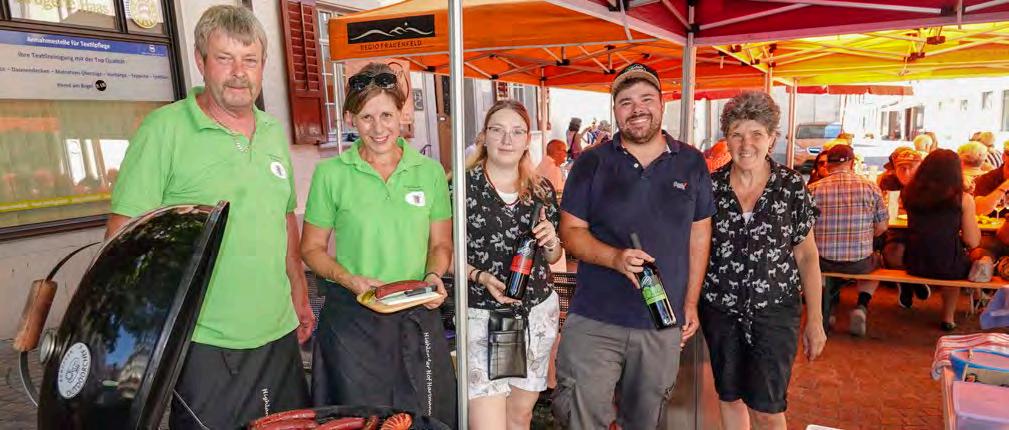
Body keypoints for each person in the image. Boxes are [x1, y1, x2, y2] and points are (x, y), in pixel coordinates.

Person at [107, 6, 312, 428]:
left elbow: (283, 218)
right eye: (224, 58)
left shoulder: (272, 132)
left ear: (263, 65)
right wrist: (140, 335)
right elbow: (122, 238)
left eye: (250, 60)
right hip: (202, 338)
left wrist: (299, 290)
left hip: (277, 331)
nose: (239, 73)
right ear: (201, 61)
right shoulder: (163, 131)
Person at [553, 63, 714, 429]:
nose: (637, 108)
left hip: (660, 320)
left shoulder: (691, 162)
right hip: (594, 318)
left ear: (662, 103)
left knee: (645, 421)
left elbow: (699, 234)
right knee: (582, 417)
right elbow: (571, 231)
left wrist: (691, 302)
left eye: (646, 98)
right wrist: (615, 258)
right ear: (615, 110)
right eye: (625, 101)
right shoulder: (592, 162)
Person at [300, 63, 457, 426]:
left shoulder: (430, 172)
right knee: (360, 422)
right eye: (366, 117)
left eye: (386, 115)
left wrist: (434, 275)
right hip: (353, 321)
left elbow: (441, 244)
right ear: (351, 119)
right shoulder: (331, 174)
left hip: (416, 314)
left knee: (423, 420)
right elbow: (311, 249)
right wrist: (349, 278)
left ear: (402, 114)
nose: (378, 127)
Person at [702, 91, 826, 430]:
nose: (746, 144)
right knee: (729, 398)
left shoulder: (790, 187)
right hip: (720, 310)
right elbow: (697, 250)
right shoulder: (710, 188)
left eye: (756, 134)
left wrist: (815, 320)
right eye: (737, 134)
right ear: (726, 139)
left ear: (771, 138)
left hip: (774, 312)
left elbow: (807, 256)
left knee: (767, 408)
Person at [460, 99, 563, 430]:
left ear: (527, 140)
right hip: (482, 315)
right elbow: (440, 253)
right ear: (484, 136)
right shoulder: (460, 187)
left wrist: (551, 240)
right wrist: (478, 275)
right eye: (498, 130)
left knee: (519, 417)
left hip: (534, 314)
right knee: (487, 424)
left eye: (517, 132)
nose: (507, 139)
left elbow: (553, 257)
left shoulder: (541, 190)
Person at [808, 144, 888, 336]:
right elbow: (882, 227)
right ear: (852, 163)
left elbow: (803, 228)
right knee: (879, 260)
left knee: (826, 265)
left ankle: (830, 309)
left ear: (828, 164)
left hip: (822, 261)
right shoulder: (871, 187)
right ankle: (861, 305)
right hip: (859, 263)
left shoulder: (812, 189)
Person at [902, 149, 983, 331]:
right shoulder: (963, 199)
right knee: (967, 254)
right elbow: (972, 240)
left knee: (949, 252)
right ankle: (948, 317)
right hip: (948, 266)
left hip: (914, 261)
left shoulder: (909, 194)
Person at [875, 147, 930, 309]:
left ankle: (913, 281)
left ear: (920, 167)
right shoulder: (888, 181)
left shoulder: (928, 184)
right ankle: (905, 284)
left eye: (910, 167)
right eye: (901, 167)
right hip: (895, 228)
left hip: (921, 229)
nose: (906, 172)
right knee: (893, 251)